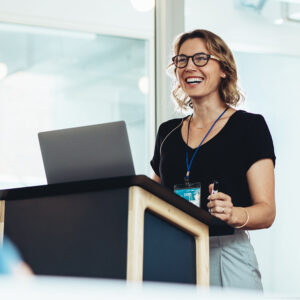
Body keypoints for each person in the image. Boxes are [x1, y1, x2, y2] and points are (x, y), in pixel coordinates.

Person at [150, 29, 275, 290]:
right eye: (181, 60)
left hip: (226, 253)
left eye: (200, 58)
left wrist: (234, 213)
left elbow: (266, 212)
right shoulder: (167, 132)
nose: (188, 67)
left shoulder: (249, 126)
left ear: (224, 69)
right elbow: (154, 200)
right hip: (174, 253)